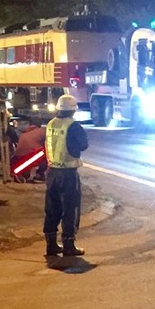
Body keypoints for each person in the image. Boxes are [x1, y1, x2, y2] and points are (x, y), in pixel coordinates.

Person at [43, 94, 89, 257]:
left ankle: (51, 244)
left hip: (52, 172)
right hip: (68, 173)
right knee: (70, 209)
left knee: (52, 209)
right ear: (73, 110)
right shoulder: (73, 126)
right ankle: (69, 244)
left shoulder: (51, 124)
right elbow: (83, 145)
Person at [10, 116, 47, 182]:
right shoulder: (41, 131)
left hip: (18, 156)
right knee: (46, 152)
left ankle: (21, 174)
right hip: (30, 156)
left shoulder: (24, 133)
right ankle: (39, 174)